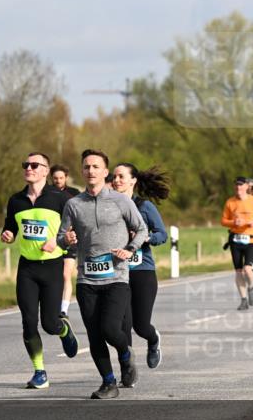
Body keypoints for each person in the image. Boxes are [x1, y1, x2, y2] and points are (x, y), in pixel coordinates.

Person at [58, 149, 148, 399]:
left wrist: (130, 249)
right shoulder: (73, 204)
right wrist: (66, 239)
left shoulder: (121, 201)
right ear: (82, 171)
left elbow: (141, 229)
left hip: (116, 278)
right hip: (86, 279)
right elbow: (61, 237)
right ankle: (108, 383)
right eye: (86, 166)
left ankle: (126, 355)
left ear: (105, 171)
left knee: (110, 328)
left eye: (96, 166)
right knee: (94, 334)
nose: (91, 171)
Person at [1, 152, 81, 390]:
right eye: (26, 164)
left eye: (35, 165)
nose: (29, 168)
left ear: (46, 170)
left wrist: (58, 241)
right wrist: (8, 234)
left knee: (49, 323)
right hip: (27, 267)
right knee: (28, 322)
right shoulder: (16, 200)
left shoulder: (60, 198)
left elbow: (75, 229)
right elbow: (10, 227)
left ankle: (63, 329)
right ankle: (40, 372)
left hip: (52, 267)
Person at [113, 162, 169, 369]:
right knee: (123, 325)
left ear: (133, 181)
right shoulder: (109, 206)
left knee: (141, 326)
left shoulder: (144, 207)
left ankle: (153, 340)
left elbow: (162, 234)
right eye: (114, 177)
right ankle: (128, 369)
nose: (116, 180)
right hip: (117, 273)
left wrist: (145, 238)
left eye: (121, 176)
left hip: (142, 271)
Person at [221, 177, 253, 310]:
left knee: (247, 269)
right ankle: (243, 300)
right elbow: (223, 221)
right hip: (235, 240)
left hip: (251, 239)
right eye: (236, 185)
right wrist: (233, 222)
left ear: (247, 186)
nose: (238, 188)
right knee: (238, 271)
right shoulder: (230, 202)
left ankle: (252, 288)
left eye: (241, 185)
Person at [49, 165, 81, 319]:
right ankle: (52, 305)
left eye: (61, 178)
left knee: (65, 274)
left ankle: (63, 310)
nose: (58, 181)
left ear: (66, 177)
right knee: (54, 276)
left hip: (69, 239)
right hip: (52, 239)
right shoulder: (47, 193)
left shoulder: (74, 194)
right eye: (55, 178)